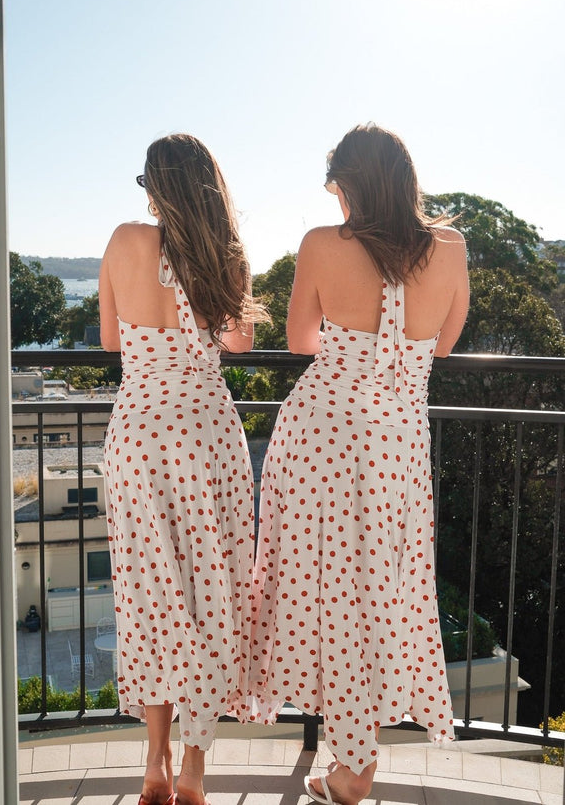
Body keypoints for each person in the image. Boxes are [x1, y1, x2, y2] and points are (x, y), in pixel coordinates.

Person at [249, 124, 469, 805]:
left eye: (338, 188)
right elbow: (443, 342)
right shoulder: (452, 249)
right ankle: (354, 760)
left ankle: (352, 765)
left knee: (325, 594)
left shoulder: (321, 244)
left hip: (322, 441)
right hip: (397, 447)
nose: (335, 201)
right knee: (379, 595)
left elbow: (299, 338)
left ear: (353, 185)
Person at [100, 133, 266, 805]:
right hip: (205, 436)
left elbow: (113, 340)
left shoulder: (122, 241)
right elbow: (240, 340)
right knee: (211, 596)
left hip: (140, 436)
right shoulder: (223, 255)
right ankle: (196, 770)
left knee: (151, 602)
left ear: (157, 186)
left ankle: (154, 765)